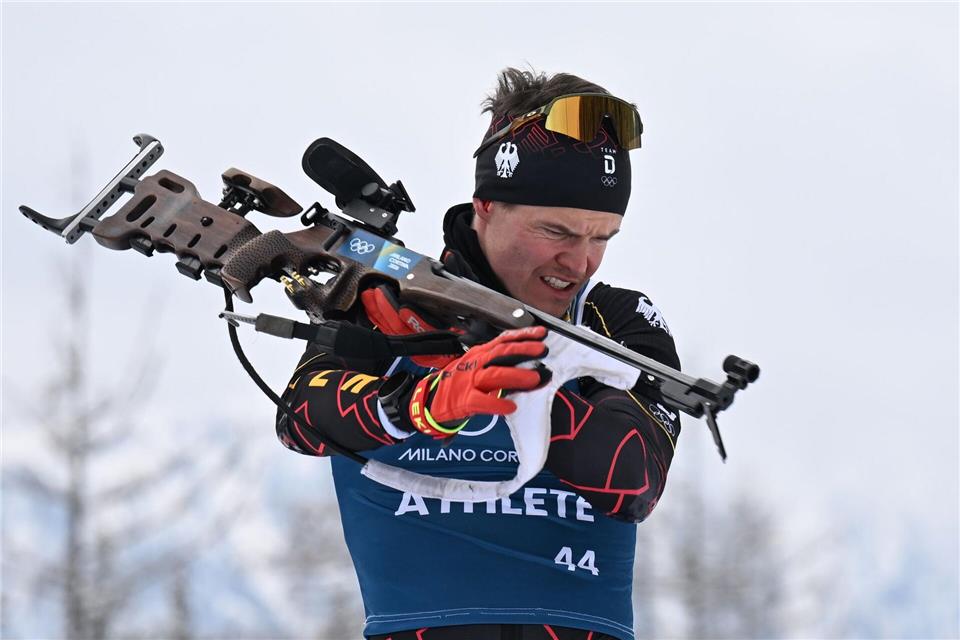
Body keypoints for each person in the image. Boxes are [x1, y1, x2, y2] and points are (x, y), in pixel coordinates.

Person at [276, 68, 681, 640]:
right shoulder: (387, 297)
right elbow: (301, 417)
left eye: (602, 237)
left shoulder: (616, 320)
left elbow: (634, 476)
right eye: (557, 231)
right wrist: (424, 401)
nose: (581, 261)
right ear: (486, 205)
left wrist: (509, 373)